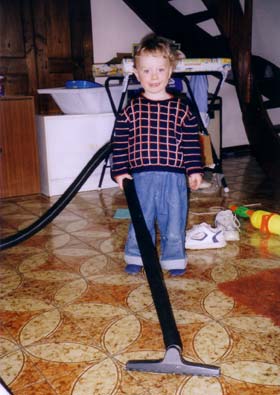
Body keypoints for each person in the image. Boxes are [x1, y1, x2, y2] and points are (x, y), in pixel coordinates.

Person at [111, 33, 203, 276]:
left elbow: (191, 144)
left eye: (160, 70)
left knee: (174, 220)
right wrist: (120, 171)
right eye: (147, 70)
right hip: (140, 177)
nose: (153, 77)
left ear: (170, 72)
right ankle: (137, 255)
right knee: (140, 219)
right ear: (136, 73)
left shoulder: (182, 109)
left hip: (173, 177)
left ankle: (173, 259)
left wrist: (194, 169)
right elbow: (119, 143)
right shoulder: (131, 109)